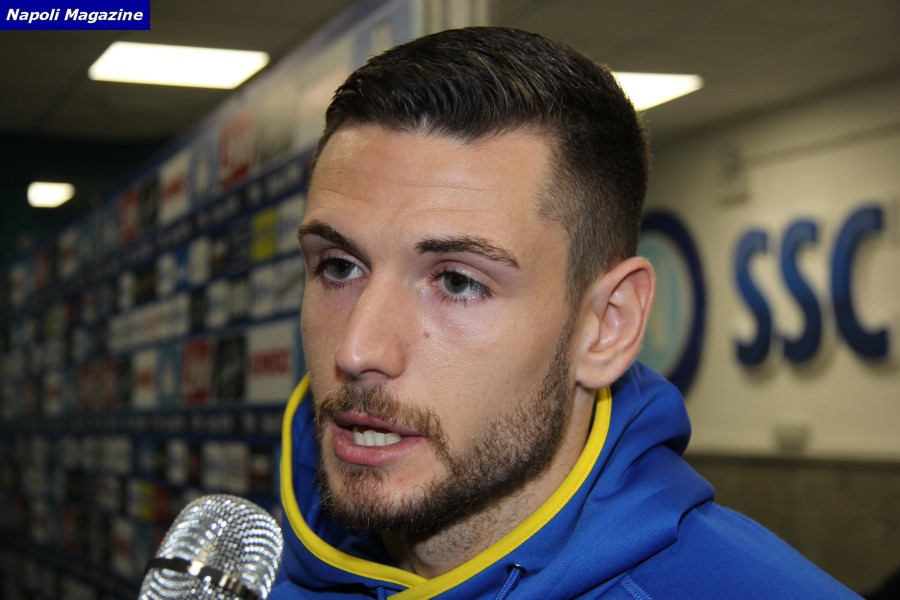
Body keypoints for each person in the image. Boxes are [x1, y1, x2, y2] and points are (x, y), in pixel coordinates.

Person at [272, 26, 861, 599]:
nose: (357, 349)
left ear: (608, 327)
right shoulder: (262, 577)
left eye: (457, 281)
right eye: (339, 267)